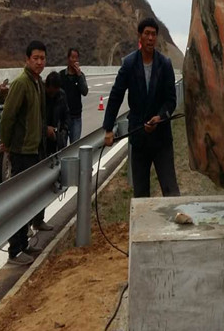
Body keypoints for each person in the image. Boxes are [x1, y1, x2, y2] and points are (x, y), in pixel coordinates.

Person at [103, 17, 179, 198]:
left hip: (161, 139)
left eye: (154, 34)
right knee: (141, 194)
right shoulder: (129, 64)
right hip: (138, 138)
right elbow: (116, 96)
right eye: (147, 34)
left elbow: (171, 100)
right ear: (140, 36)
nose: (151, 38)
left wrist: (160, 117)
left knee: (171, 191)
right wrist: (108, 128)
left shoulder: (165, 65)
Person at [0, 40, 51, 265]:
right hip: (21, 152)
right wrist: (6, 144)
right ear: (27, 59)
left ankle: (24, 244)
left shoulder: (37, 83)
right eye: (35, 58)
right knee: (20, 202)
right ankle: (14, 251)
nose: (39, 62)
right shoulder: (21, 83)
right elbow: (7, 117)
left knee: (29, 201)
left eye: (42, 58)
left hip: (34, 150)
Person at [59, 48, 88, 144]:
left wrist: (79, 75)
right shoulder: (61, 75)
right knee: (62, 146)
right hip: (63, 117)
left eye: (76, 58)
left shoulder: (80, 75)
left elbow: (85, 91)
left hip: (76, 117)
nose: (74, 60)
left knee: (74, 146)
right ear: (68, 59)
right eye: (72, 57)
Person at [44, 71, 70, 157]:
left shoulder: (61, 95)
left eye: (55, 92)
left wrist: (63, 131)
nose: (53, 95)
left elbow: (66, 115)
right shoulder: (40, 95)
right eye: (51, 92)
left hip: (56, 136)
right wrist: (45, 129)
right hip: (42, 137)